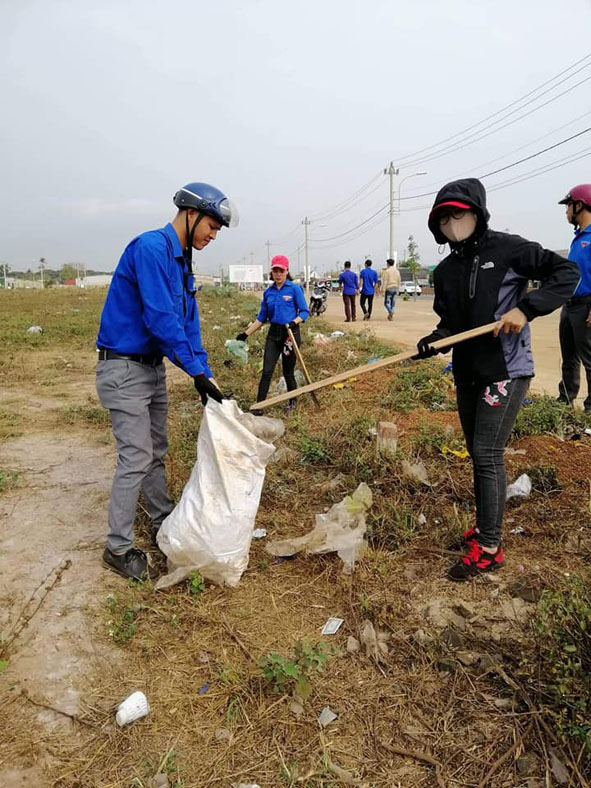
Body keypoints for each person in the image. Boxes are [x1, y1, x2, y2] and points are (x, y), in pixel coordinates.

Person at [415, 178, 578, 581]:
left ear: (476, 213)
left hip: (506, 371)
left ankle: (490, 548)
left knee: (488, 453)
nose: (453, 222)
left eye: (459, 213)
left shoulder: (508, 249)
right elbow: (450, 324)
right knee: (477, 452)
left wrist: (526, 308)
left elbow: (566, 272)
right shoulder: (446, 271)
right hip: (468, 373)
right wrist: (434, 342)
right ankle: (485, 526)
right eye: (445, 217)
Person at [96, 182, 238, 581]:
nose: (213, 235)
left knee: (156, 449)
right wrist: (193, 370)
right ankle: (117, 546)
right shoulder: (151, 248)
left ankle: (162, 521)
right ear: (191, 214)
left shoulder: (181, 262)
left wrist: (204, 374)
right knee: (136, 456)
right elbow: (160, 320)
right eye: (212, 226)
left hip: (151, 368)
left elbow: (187, 324)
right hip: (123, 368)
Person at [236, 255, 309, 412]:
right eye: (275, 270)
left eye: (281, 271)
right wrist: (245, 334)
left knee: (288, 372)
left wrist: (294, 322)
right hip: (274, 334)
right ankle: (258, 406)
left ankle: (292, 403)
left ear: (286, 271)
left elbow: (304, 312)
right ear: (272, 272)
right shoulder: (268, 293)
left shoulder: (294, 289)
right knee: (267, 371)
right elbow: (262, 317)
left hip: (290, 334)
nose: (278, 274)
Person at [557, 185, 591, 412]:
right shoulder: (577, 238)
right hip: (570, 305)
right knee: (569, 357)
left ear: (579, 205)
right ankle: (566, 398)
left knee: (589, 357)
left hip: (587, 305)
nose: (566, 211)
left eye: (568, 205)